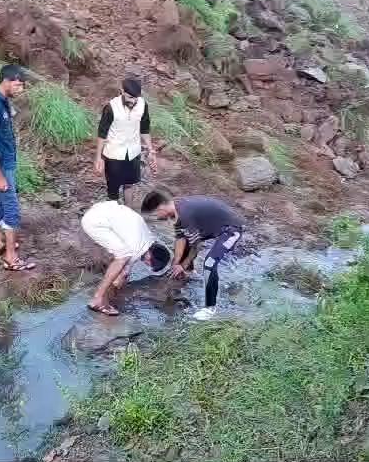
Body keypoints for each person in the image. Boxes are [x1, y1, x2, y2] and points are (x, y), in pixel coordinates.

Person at [141, 191, 246, 321]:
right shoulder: (176, 211)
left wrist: (183, 265)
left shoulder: (185, 215)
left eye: (156, 214)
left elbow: (197, 246)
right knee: (183, 250)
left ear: (161, 207)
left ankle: (210, 308)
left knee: (209, 263)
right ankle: (189, 275)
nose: (157, 217)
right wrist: (176, 263)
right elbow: (180, 238)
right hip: (210, 226)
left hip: (231, 229)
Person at [0, 64, 35, 271]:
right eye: (18, 85)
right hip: (1, 164)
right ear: (7, 80)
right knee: (11, 207)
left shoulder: (2, 101)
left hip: (5, 161)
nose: (20, 89)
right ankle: (11, 258)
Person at [81, 200, 172, 316]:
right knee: (123, 256)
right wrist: (116, 290)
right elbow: (122, 275)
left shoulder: (148, 238)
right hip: (94, 221)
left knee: (122, 253)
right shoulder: (137, 249)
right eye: (150, 263)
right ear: (151, 254)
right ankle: (98, 300)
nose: (147, 264)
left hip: (101, 210)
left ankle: (103, 294)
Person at [93, 78, 157, 205]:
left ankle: (128, 213)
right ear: (122, 91)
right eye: (130, 97)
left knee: (130, 184)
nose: (133, 101)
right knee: (113, 190)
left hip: (133, 153)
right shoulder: (111, 107)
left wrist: (151, 150)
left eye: (136, 98)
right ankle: (114, 216)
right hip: (114, 154)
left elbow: (144, 129)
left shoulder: (143, 105)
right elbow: (102, 133)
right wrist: (98, 158)